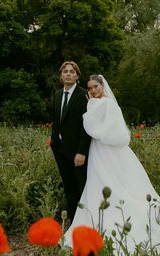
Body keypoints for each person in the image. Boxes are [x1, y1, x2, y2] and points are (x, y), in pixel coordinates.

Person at [64, 75, 160, 255]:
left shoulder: (104, 104)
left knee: (108, 182)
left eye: (95, 87)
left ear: (102, 86)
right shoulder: (105, 103)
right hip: (100, 150)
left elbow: (91, 126)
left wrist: (90, 105)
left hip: (105, 150)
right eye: (90, 88)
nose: (92, 91)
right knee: (102, 182)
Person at [51, 61, 91, 222]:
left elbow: (86, 126)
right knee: (68, 187)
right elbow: (56, 121)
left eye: (72, 72)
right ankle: (74, 221)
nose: (68, 74)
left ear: (77, 76)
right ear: (61, 76)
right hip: (59, 149)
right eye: (65, 71)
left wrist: (82, 152)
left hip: (77, 152)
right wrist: (54, 141)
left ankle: (85, 221)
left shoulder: (83, 95)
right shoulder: (58, 94)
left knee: (80, 186)